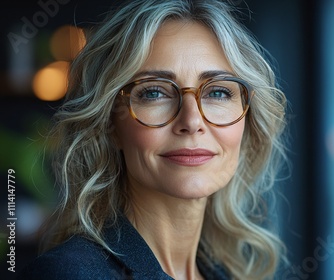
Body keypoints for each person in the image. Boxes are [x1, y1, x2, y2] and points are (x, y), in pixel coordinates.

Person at [17, 0, 288, 279]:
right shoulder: (68, 274)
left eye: (218, 92)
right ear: (110, 123)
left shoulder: (227, 274)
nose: (192, 122)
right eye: (154, 92)